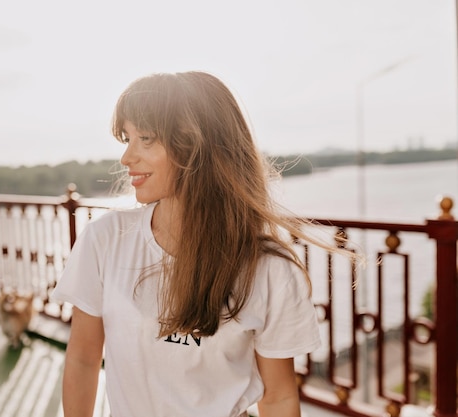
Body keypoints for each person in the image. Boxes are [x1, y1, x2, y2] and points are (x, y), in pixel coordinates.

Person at [51, 71, 333, 417]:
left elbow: (278, 398)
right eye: (127, 137)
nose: (126, 157)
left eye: (146, 138)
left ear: (198, 146)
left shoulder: (270, 270)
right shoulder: (105, 239)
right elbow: (83, 358)